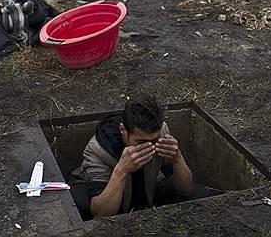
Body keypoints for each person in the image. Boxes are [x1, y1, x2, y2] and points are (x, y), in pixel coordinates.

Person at [70, 94, 219, 219]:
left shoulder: (161, 133)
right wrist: (121, 171)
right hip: (106, 195)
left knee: (205, 197)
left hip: (149, 191)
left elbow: (186, 190)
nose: (150, 146)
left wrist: (177, 157)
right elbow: (100, 214)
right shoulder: (98, 150)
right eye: (141, 142)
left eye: (154, 140)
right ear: (123, 130)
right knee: (77, 208)